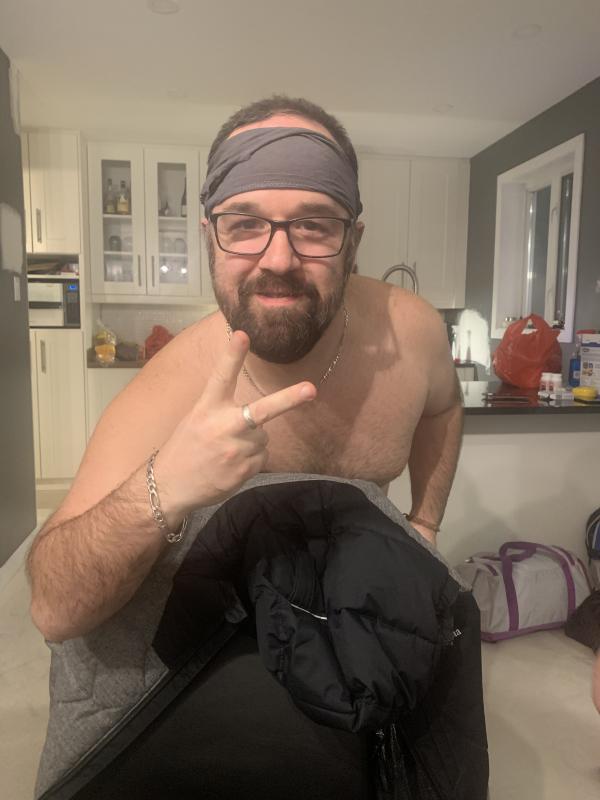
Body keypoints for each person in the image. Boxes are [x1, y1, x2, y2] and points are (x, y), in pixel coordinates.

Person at [28, 95, 466, 799]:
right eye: (245, 224)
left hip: (345, 641)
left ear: (354, 239)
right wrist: (166, 483)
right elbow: (54, 606)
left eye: (314, 224)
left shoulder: (409, 335)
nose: (278, 258)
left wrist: (426, 523)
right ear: (209, 236)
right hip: (202, 666)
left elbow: (443, 408)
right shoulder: (172, 387)